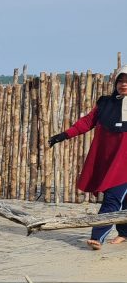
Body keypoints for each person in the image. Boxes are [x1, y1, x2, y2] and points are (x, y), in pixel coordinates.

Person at [50, 65, 127, 249]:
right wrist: (63, 135)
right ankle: (124, 234)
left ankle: (97, 237)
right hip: (108, 161)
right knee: (123, 199)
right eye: (121, 80)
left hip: (124, 164)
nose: (124, 84)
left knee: (112, 198)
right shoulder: (105, 103)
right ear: (115, 82)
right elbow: (86, 122)